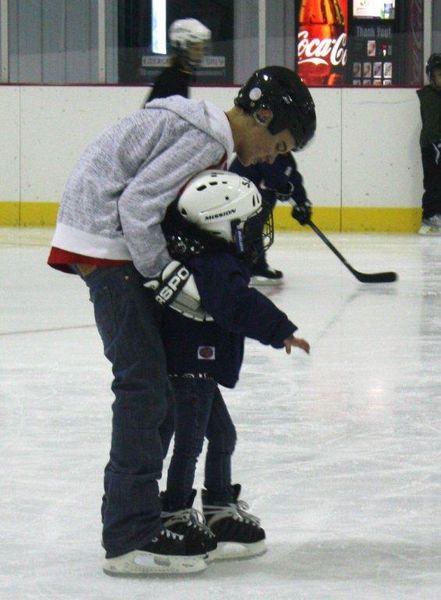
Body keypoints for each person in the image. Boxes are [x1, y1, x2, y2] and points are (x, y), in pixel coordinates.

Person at [47, 65, 316, 577]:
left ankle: (153, 514)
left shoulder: (203, 132)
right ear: (263, 115)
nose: (269, 158)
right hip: (107, 243)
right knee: (143, 384)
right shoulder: (206, 135)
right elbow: (137, 204)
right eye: (278, 145)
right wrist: (164, 274)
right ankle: (130, 533)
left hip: (106, 238)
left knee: (153, 381)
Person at [150, 170, 310, 562]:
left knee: (222, 437)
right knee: (189, 443)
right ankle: (174, 511)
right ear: (225, 224)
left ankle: (219, 509)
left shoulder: (197, 251)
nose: (256, 230)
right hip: (191, 370)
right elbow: (237, 304)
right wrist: (280, 331)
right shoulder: (217, 265)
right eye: (249, 222)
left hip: (194, 367)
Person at [229, 152, 312, 284]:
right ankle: (248, 265)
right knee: (246, 229)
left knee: (254, 229)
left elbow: (292, 178)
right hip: (240, 196)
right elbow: (273, 177)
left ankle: (255, 264)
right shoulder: (264, 151)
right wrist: (283, 188)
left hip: (258, 200)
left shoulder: (286, 160)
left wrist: (302, 203)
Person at [142, 18, 211, 106]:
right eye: (196, 49)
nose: (200, 54)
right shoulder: (171, 81)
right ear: (181, 47)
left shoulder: (182, 75)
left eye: (202, 49)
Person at [417, 53, 441, 235]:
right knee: (433, 181)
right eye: (439, 74)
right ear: (431, 77)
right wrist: (436, 144)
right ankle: (430, 216)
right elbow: (432, 125)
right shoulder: (429, 96)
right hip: (432, 147)